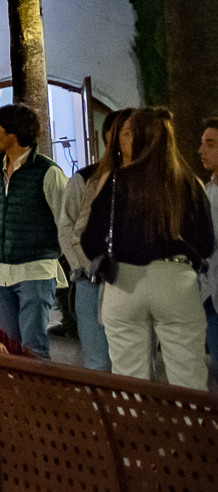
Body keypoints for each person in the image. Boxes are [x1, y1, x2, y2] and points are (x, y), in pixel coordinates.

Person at [80, 107, 215, 390]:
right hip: (176, 281)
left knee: (129, 379)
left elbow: (90, 240)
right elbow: (205, 244)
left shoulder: (116, 181)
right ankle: (187, 432)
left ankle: (133, 431)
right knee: (188, 377)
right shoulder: (190, 183)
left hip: (124, 283)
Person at [0, 104, 68, 360]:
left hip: (35, 269)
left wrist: (47, 252)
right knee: (8, 348)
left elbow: (65, 220)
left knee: (34, 348)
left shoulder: (48, 171)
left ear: (14, 131)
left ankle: (40, 399)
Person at [58, 109, 129, 372]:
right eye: (125, 131)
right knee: (98, 360)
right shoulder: (86, 178)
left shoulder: (145, 181)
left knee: (132, 362)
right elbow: (67, 228)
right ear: (109, 136)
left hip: (130, 280)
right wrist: (85, 266)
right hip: (92, 280)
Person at [199, 118, 218, 370]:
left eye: (210, 144)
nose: (201, 150)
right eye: (202, 143)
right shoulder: (206, 191)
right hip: (211, 295)